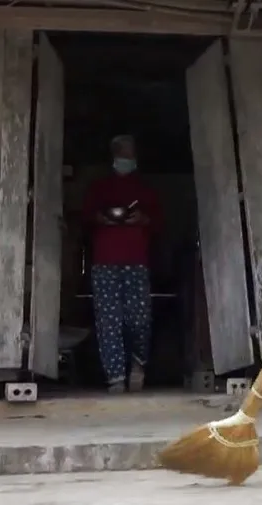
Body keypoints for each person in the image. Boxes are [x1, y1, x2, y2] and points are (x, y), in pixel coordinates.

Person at [82, 135, 162, 394]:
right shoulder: (100, 188)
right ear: (112, 155)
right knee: (109, 321)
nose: (124, 158)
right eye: (120, 153)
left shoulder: (145, 190)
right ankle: (115, 377)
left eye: (128, 153)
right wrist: (102, 218)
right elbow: (86, 217)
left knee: (139, 320)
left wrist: (142, 218)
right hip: (104, 261)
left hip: (136, 261)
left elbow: (159, 223)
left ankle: (138, 364)